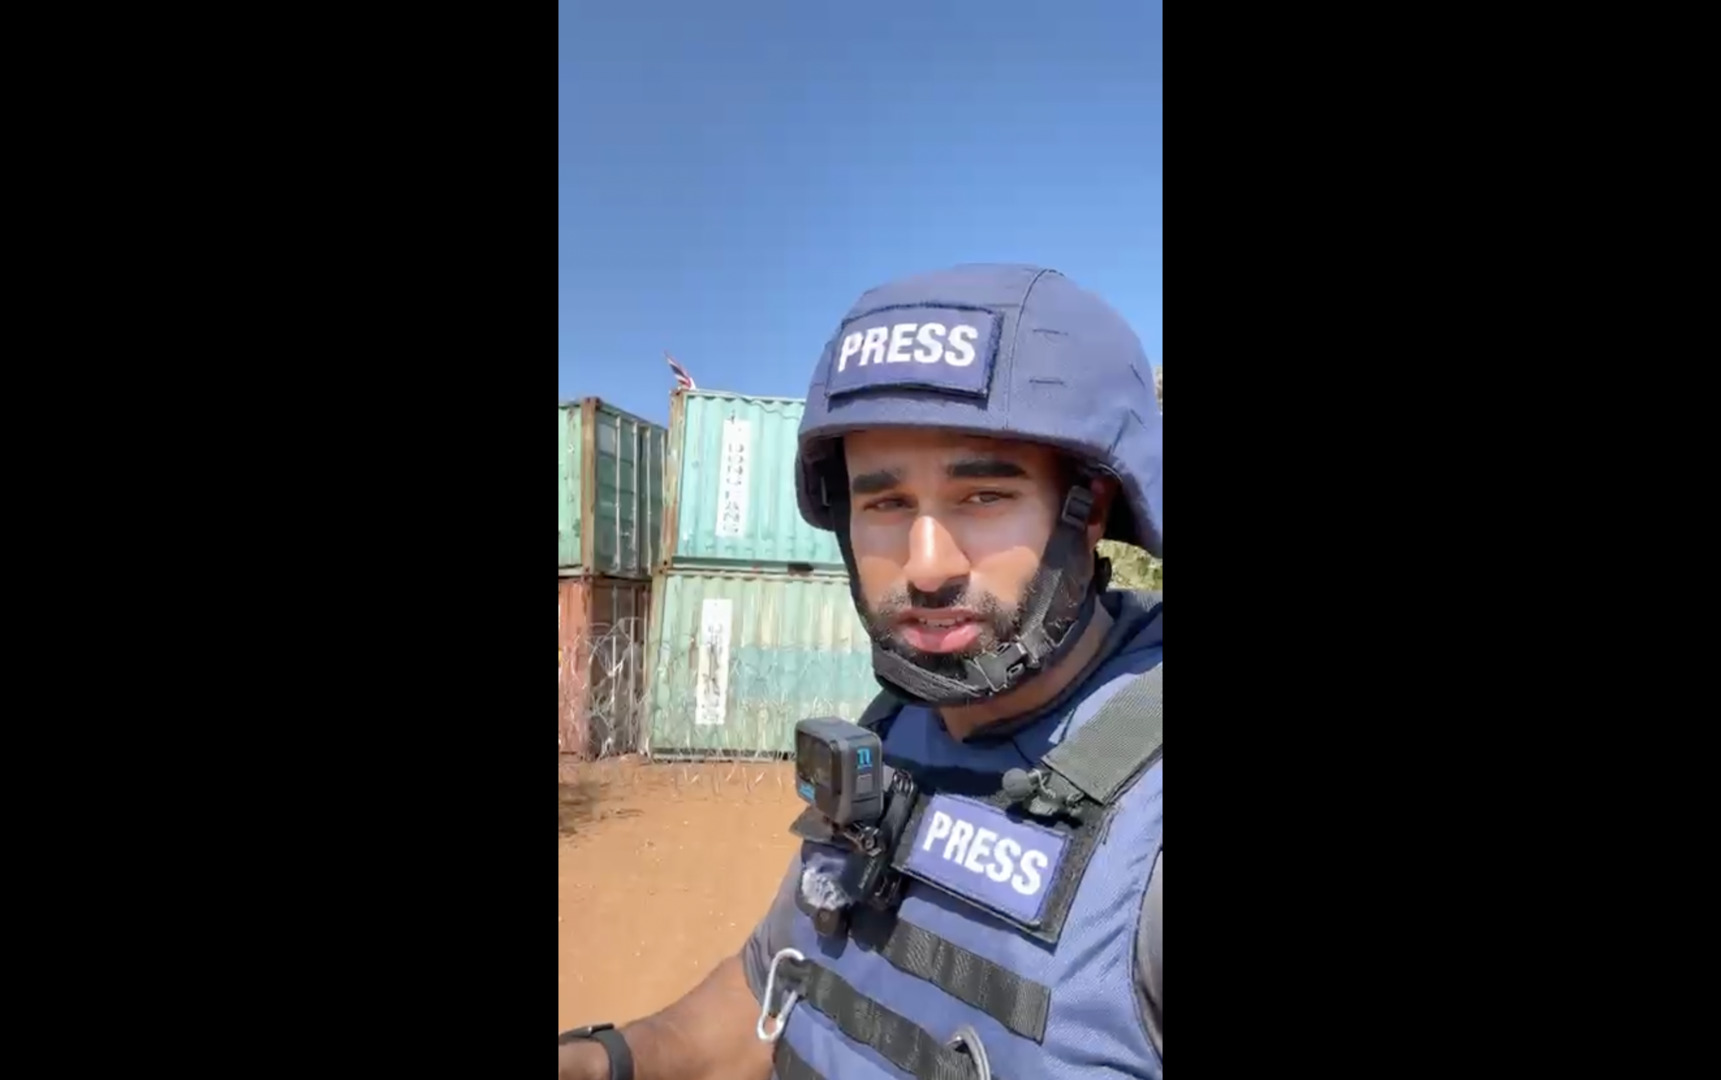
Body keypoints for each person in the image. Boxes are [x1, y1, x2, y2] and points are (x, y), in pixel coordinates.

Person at [559, 263, 1163, 1080]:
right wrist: (606, 1061)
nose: (926, 565)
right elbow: (773, 988)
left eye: (982, 497)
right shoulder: (897, 728)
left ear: (1087, 513)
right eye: (885, 504)